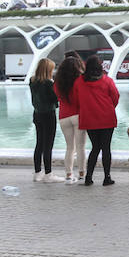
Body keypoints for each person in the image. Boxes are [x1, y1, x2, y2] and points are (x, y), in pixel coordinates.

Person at [74, 55, 120, 186]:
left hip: (89, 119)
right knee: (106, 148)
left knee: (95, 148)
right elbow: (115, 97)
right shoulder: (107, 81)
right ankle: (107, 177)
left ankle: (88, 177)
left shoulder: (79, 82)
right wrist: (109, 107)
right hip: (107, 118)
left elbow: (76, 100)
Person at [54, 55, 86, 184]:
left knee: (69, 147)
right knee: (81, 147)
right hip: (78, 115)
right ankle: (82, 174)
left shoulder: (57, 82)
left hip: (63, 116)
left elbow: (57, 97)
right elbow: (83, 98)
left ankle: (68, 175)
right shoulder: (80, 80)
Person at [29, 58, 62, 183]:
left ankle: (37, 173)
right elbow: (54, 99)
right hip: (49, 115)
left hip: (37, 114)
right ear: (48, 69)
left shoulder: (32, 81)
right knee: (48, 145)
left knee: (39, 144)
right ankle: (49, 174)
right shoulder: (49, 83)